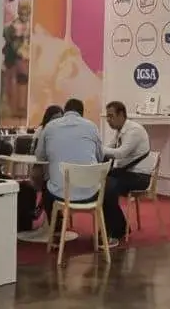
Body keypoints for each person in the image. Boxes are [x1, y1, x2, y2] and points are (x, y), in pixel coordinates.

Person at [35, 98, 123, 248]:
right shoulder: (91, 127)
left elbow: (40, 156)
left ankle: (56, 232)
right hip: (91, 192)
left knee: (46, 186)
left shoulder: (49, 127)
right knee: (110, 186)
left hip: (60, 194)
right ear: (81, 113)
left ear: (65, 111)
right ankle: (109, 234)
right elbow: (100, 156)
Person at [103, 101, 153, 237]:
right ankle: (117, 227)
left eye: (111, 116)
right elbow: (110, 147)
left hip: (139, 177)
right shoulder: (120, 131)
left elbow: (120, 153)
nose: (108, 120)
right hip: (126, 173)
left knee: (107, 187)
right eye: (107, 116)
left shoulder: (134, 131)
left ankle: (116, 230)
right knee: (102, 185)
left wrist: (99, 149)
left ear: (121, 115)